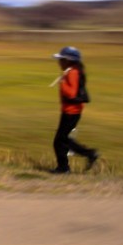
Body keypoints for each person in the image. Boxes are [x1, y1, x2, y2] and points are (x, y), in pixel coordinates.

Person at [50, 46, 99, 174]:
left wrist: (62, 83)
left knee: (58, 141)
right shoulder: (73, 71)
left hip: (71, 112)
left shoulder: (72, 73)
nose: (59, 62)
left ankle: (64, 168)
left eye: (61, 59)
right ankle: (89, 154)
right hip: (71, 111)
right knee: (63, 139)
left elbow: (71, 93)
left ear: (68, 60)